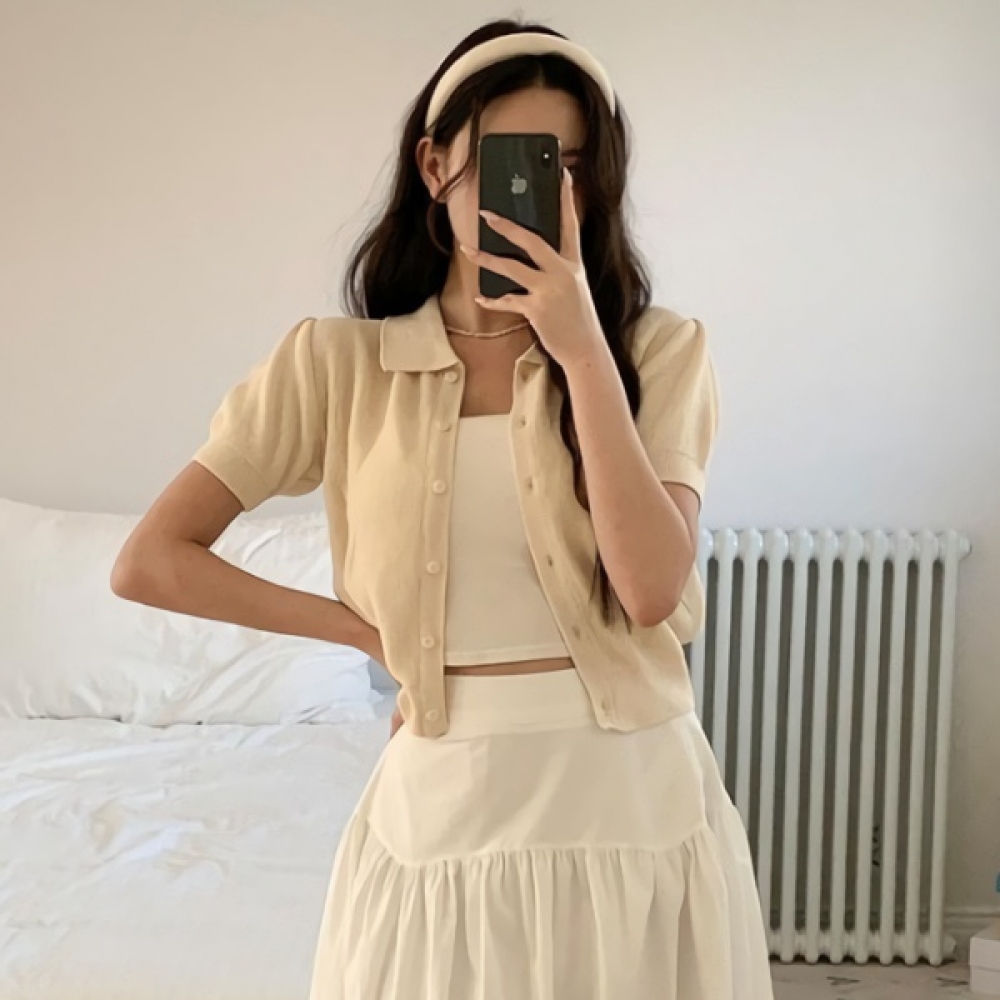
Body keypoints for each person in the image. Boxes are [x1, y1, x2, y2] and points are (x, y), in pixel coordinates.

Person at [112, 16, 775, 1000]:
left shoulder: (658, 350)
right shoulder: (336, 364)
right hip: (442, 807)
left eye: (569, 166)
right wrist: (360, 631)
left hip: (634, 803)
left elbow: (648, 591)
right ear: (434, 166)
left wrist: (581, 347)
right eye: (512, 161)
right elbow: (152, 559)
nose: (543, 193)